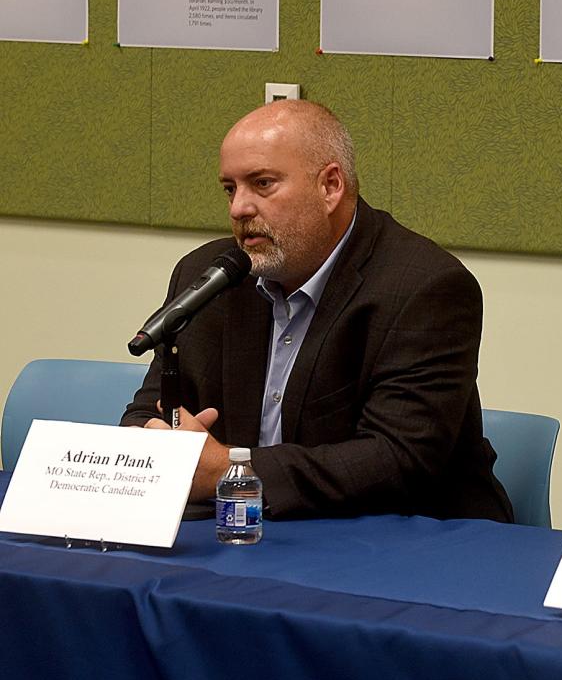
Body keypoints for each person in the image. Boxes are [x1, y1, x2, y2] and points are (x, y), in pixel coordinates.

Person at [122, 99, 513, 522]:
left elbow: (399, 457)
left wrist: (232, 471)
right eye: (230, 189)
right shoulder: (206, 278)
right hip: (249, 533)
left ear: (330, 186)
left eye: (262, 184)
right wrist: (158, 447)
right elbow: (147, 414)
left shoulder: (423, 287)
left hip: (399, 537)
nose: (239, 208)